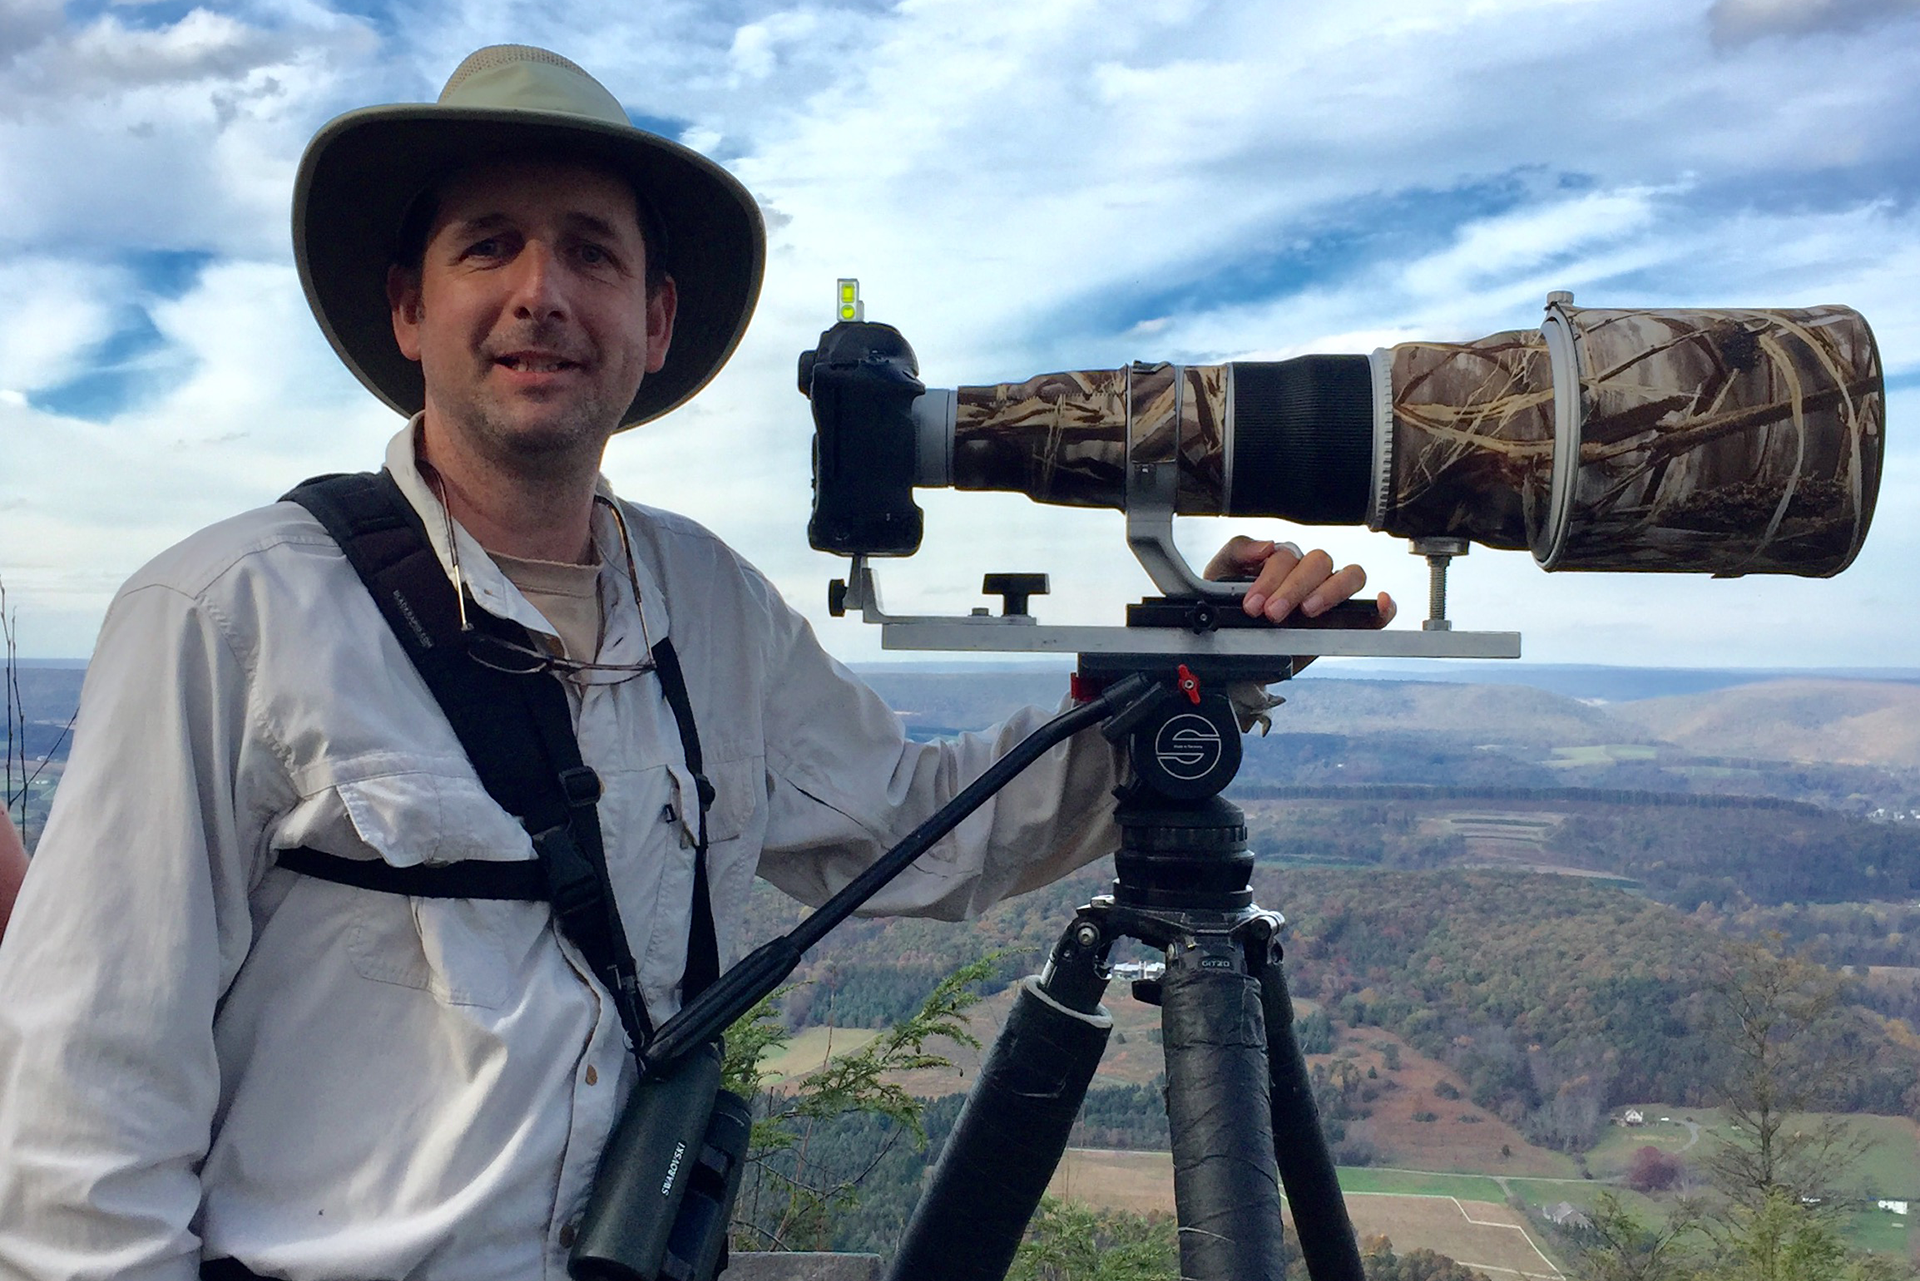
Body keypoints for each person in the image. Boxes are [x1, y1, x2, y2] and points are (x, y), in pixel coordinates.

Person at [0, 45, 1391, 1280]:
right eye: (488, 246)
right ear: (407, 310)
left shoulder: (709, 605)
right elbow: (82, 1098)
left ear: (654, 323)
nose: (542, 292)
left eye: (592, 255)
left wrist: (1180, 682)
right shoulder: (223, 614)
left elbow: (920, 832)